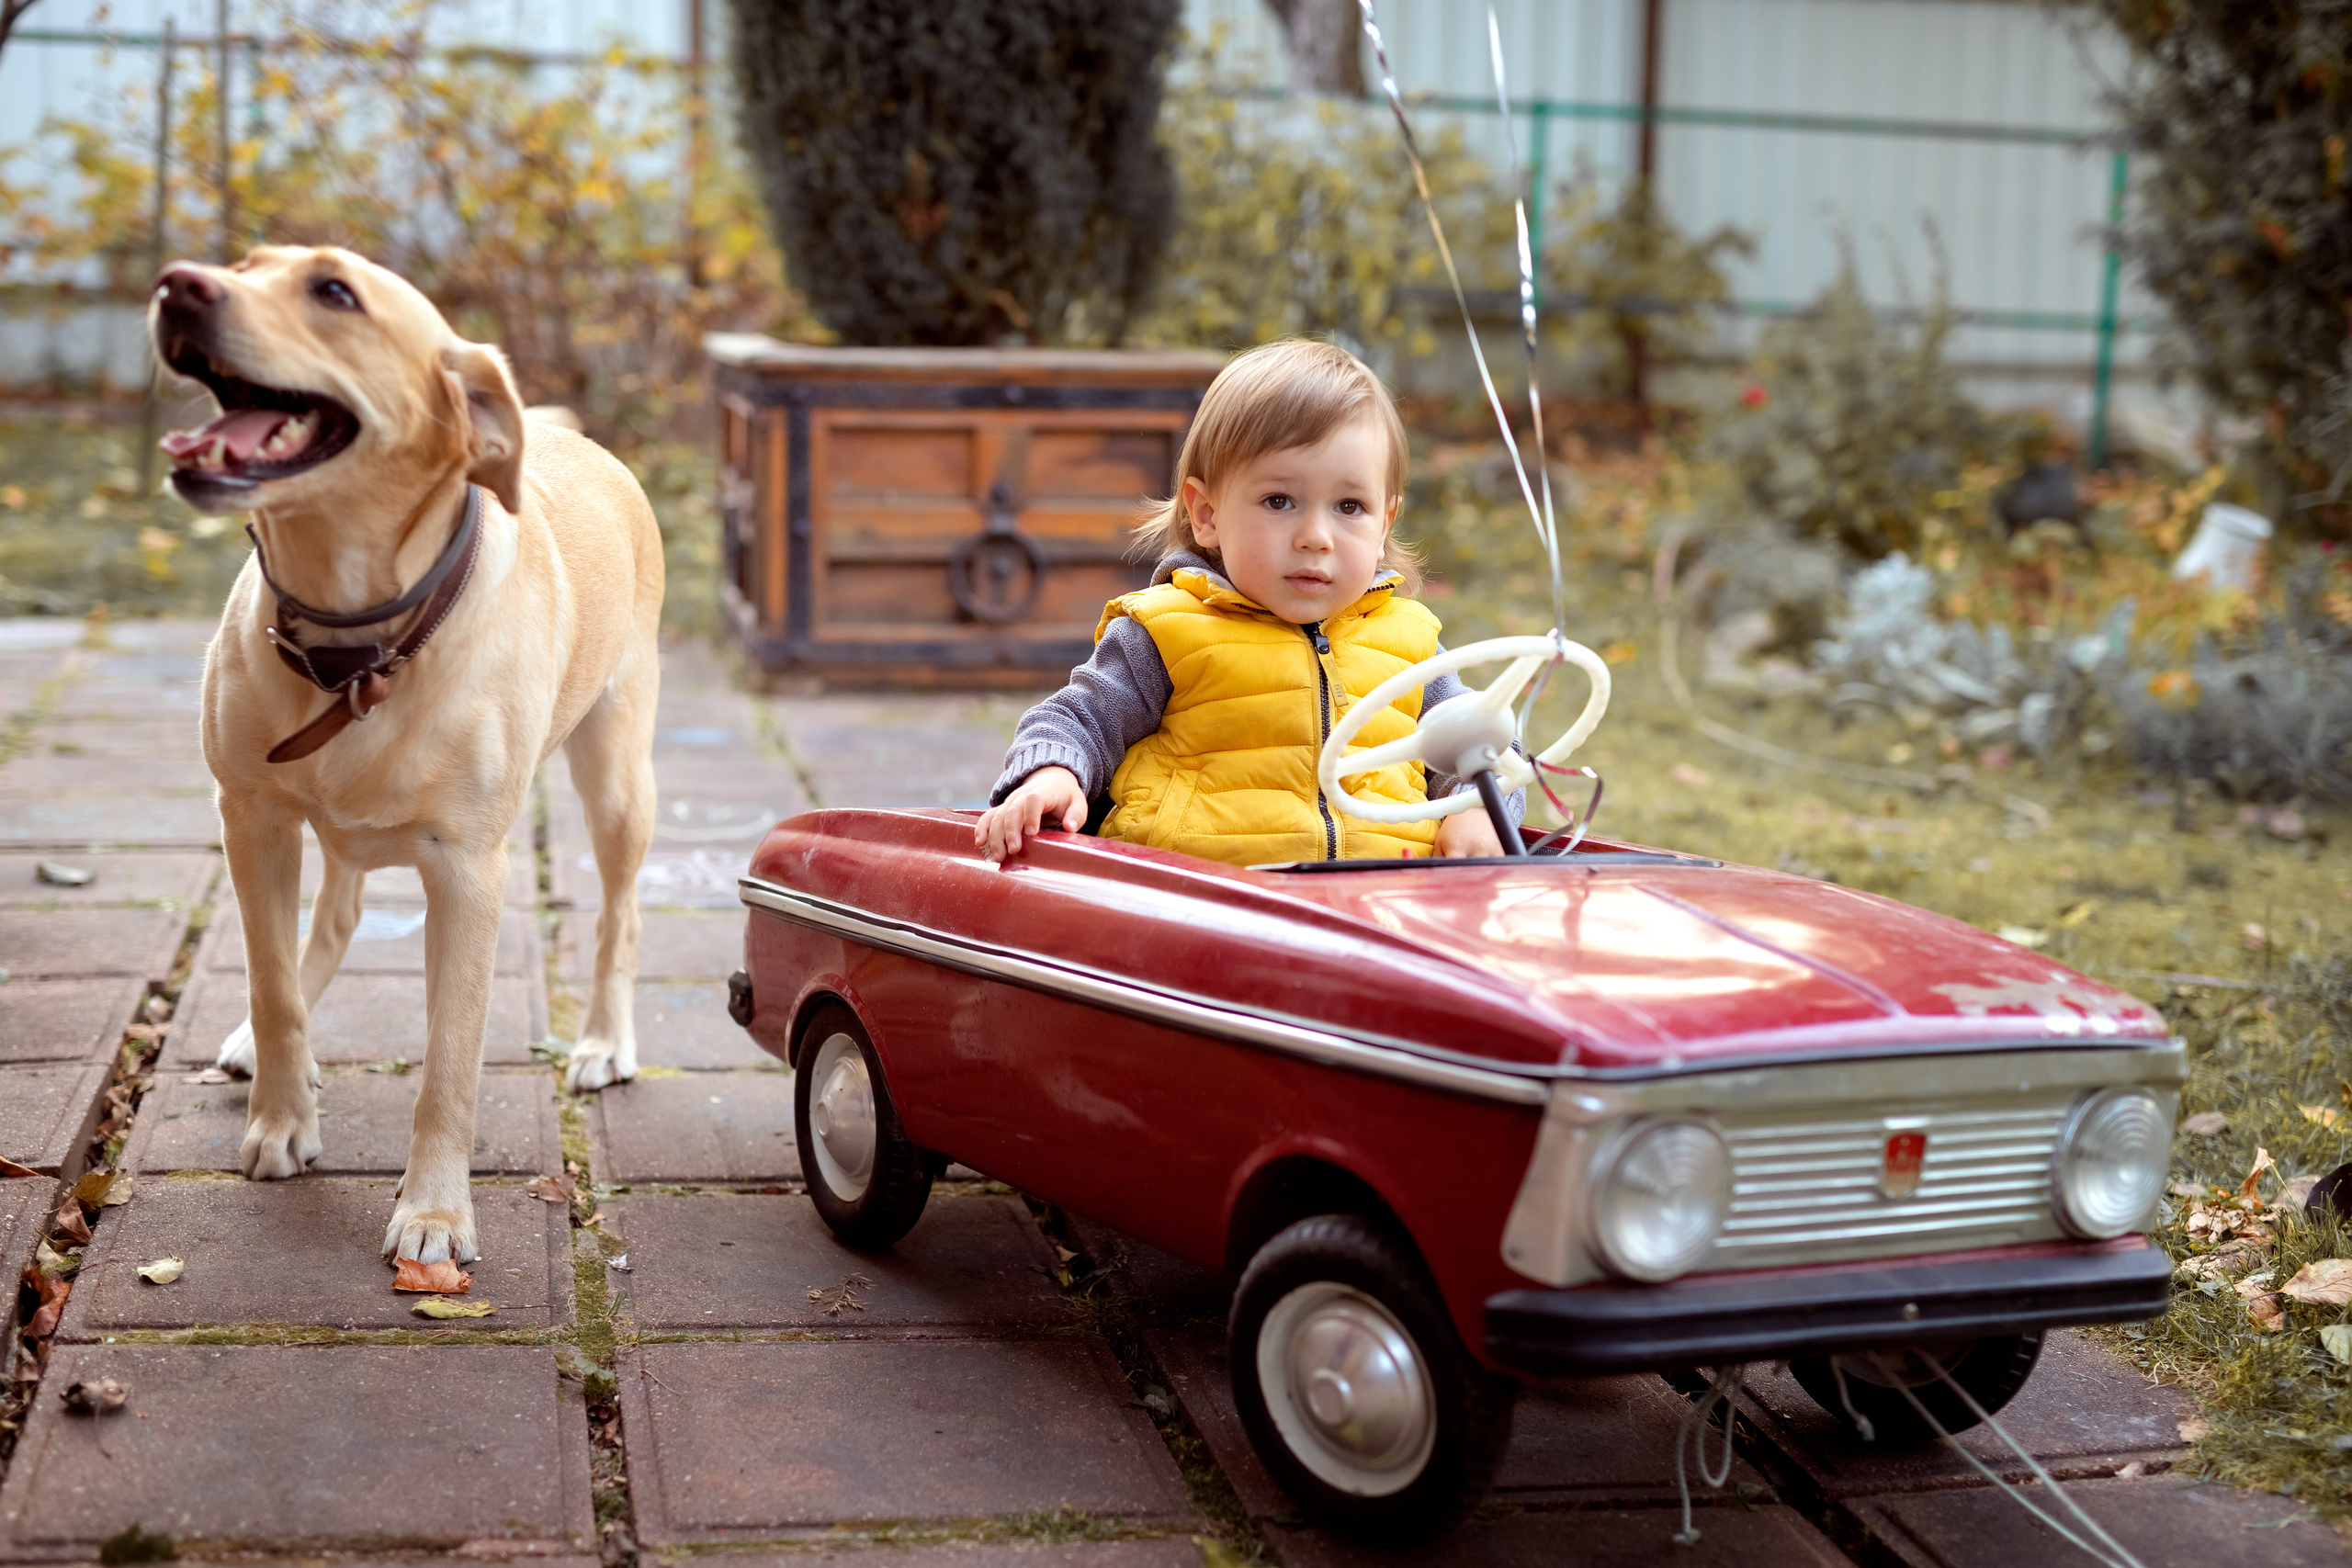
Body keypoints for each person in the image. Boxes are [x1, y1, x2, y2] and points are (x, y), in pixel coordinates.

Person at [975, 339, 1524, 868]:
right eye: (1279, 501)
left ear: (1385, 524)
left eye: (1349, 506)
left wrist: (1479, 807)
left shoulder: (1411, 646)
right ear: (1208, 514)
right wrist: (1052, 775)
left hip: (1382, 907)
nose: (1316, 536)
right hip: (1204, 907)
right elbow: (1076, 721)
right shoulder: (1169, 632)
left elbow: (1487, 743)